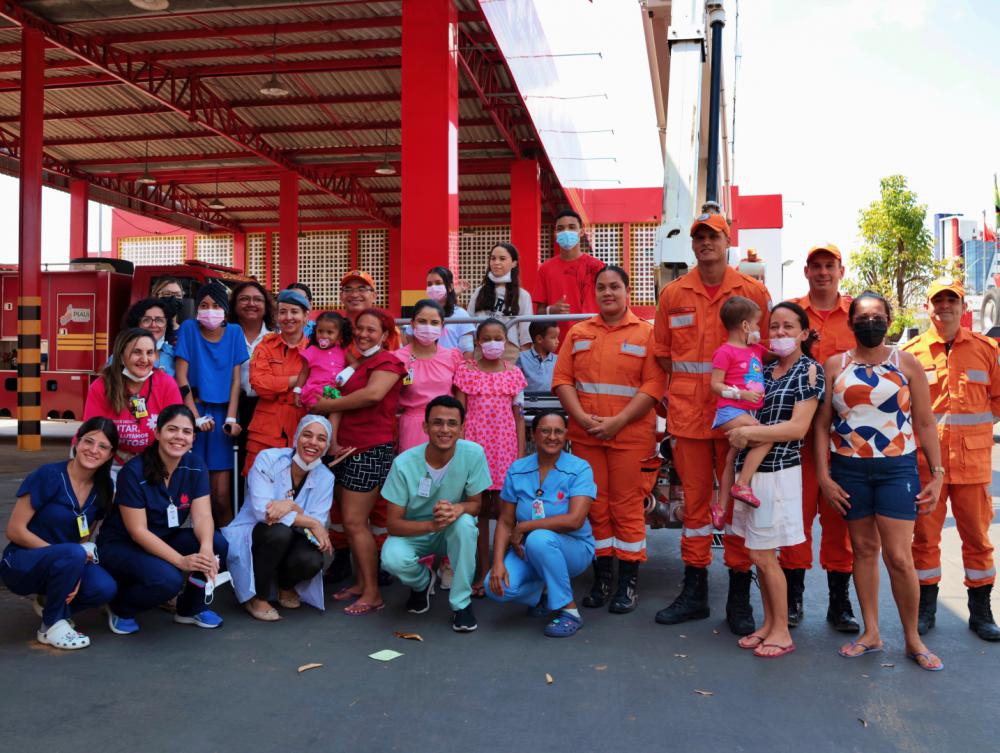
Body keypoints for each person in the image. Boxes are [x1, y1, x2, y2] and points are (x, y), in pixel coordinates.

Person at [652, 211, 771, 635]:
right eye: (699, 237)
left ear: (727, 240)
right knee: (696, 506)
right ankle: (695, 591)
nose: (706, 243)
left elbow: (765, 352)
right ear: (693, 244)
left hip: (736, 418)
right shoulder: (673, 294)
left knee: (739, 503)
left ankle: (739, 596)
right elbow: (663, 353)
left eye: (713, 236)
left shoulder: (752, 291)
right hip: (689, 416)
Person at [814, 291, 945, 670]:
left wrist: (936, 475)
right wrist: (823, 475)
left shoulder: (907, 363)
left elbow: (924, 422)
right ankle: (871, 633)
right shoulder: (834, 365)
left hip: (896, 469)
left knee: (900, 558)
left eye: (877, 316)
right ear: (850, 322)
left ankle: (912, 639)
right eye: (862, 317)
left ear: (889, 319)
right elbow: (822, 425)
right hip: (849, 469)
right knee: (864, 550)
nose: (869, 323)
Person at [553, 265, 665, 614]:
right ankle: (603, 579)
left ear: (627, 291)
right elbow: (562, 380)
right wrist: (584, 420)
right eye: (601, 287)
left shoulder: (647, 334)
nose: (607, 293)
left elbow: (653, 385)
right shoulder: (578, 332)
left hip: (631, 436)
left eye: (614, 286)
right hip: (587, 436)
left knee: (627, 506)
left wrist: (618, 421)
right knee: (595, 507)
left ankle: (627, 584)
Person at [724, 302, 824, 658]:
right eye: (774, 327)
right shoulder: (764, 371)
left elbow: (798, 428)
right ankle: (768, 623)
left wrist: (750, 432)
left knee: (766, 555)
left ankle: (782, 630)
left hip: (780, 472)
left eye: (788, 327)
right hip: (750, 475)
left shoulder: (809, 371)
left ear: (804, 332)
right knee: (755, 551)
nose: (780, 333)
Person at [903, 279, 1000, 641]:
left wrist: (974, 433)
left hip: (972, 466)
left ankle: (980, 613)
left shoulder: (986, 349)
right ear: (927, 308)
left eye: (952, 301)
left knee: (977, 539)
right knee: (924, 539)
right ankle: (926, 609)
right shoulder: (911, 353)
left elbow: (997, 398)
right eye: (937, 301)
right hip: (926, 467)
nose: (945, 307)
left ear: (963, 308)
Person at [97, 405, 228, 635]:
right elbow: (138, 531)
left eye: (186, 432)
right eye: (172, 429)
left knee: (217, 544)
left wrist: (206, 549)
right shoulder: (134, 472)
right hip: (124, 544)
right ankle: (120, 605)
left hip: (165, 537)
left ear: (193, 438)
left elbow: (203, 515)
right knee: (169, 581)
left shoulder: (195, 465)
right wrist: (180, 561)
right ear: (157, 433)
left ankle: (190, 608)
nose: (179, 437)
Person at [783, 243, 859, 632]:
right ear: (807, 271)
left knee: (839, 519)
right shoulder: (792, 314)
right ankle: (793, 599)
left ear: (841, 270)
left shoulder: (857, 316)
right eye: (816, 266)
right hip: (796, 439)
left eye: (830, 265)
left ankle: (839, 603)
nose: (823, 272)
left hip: (842, 441)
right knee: (796, 519)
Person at [312, 307, 406, 615]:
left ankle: (373, 593)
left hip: (369, 449)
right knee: (354, 524)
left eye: (371, 330)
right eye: (360, 329)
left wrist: (329, 403)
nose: (364, 334)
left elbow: (372, 396)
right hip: (347, 449)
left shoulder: (390, 362)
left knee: (354, 522)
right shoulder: (358, 363)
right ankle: (362, 583)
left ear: (385, 335)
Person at [0, 418, 119, 650]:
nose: (93, 450)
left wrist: (72, 565)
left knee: (104, 587)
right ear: (77, 441)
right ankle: (50, 626)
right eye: (88, 441)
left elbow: (84, 537)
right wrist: (66, 557)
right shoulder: (48, 475)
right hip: (22, 561)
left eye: (103, 446)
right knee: (73, 553)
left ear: (110, 454)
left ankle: (52, 605)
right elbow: (14, 530)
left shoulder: (104, 487)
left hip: (66, 562)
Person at [380, 396, 492, 632]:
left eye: (452, 424)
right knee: (391, 558)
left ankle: (461, 604)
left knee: (466, 526)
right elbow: (393, 525)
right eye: (437, 423)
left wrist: (457, 509)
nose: (445, 430)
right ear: (425, 427)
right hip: (417, 531)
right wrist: (432, 525)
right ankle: (422, 582)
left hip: (451, 528)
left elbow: (476, 506)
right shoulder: (403, 463)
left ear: (462, 428)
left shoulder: (473, 453)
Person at [486, 411, 596, 637]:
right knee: (495, 588)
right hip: (528, 550)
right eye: (545, 430)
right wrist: (497, 562)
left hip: (573, 549)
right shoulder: (518, 469)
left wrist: (525, 527)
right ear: (533, 434)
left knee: (539, 538)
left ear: (566, 435)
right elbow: (506, 521)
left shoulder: (579, 468)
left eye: (558, 431)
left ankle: (569, 610)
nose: (552, 437)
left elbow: (575, 520)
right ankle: (544, 590)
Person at [224, 415, 336, 621]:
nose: (313, 442)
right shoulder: (268, 458)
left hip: (293, 534)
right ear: (296, 437)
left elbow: (317, 522)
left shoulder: (326, 477)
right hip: (257, 532)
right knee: (278, 532)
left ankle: (286, 586)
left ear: (326, 446)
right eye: (307, 435)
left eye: (321, 439)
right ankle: (257, 597)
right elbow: (262, 512)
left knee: (311, 559)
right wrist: (308, 519)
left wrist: (289, 507)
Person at [454, 318, 527, 597]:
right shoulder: (466, 372)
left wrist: (520, 455)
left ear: (506, 343)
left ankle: (504, 567)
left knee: (505, 512)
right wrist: (460, 451)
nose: (493, 343)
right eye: (487, 338)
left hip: (506, 450)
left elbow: (519, 419)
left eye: (498, 338)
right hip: (474, 450)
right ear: (477, 342)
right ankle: (482, 570)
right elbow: (458, 415)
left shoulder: (514, 374)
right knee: (480, 512)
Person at [174, 280, 248, 526]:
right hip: (193, 412)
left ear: (225, 309)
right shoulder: (189, 329)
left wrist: (231, 418)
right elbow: (181, 377)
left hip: (221, 418)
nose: (209, 309)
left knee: (221, 497)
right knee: (192, 495)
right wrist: (194, 417)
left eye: (216, 305)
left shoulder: (235, 332)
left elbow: (236, 381)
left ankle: (225, 550)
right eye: (204, 304)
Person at [83, 327, 182, 476]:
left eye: (149, 353)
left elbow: (177, 431)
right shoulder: (101, 386)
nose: (144, 359)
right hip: (110, 463)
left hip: (154, 463)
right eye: (137, 352)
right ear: (121, 355)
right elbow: (91, 433)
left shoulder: (166, 384)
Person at [710, 296, 770, 519]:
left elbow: (777, 353)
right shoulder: (725, 352)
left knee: (730, 459)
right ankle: (742, 484)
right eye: (756, 324)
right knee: (767, 435)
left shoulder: (755, 349)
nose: (758, 330)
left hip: (746, 412)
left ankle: (721, 507)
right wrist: (740, 393)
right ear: (745, 325)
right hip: (730, 412)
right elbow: (715, 385)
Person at [244, 288, 310, 473]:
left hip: (303, 429)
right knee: (259, 493)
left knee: (299, 493)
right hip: (265, 434)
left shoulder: (314, 350)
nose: (288, 317)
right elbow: (259, 384)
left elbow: (318, 388)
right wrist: (299, 380)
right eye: (283, 312)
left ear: (306, 316)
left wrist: (277, 382)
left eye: (294, 312)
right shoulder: (265, 345)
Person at [228, 281, 275, 499]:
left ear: (266, 305)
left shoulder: (275, 337)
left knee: (261, 466)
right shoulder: (223, 334)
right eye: (244, 299)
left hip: (266, 406)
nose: (251, 304)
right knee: (232, 466)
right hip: (231, 407)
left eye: (257, 299)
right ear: (234, 304)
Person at [396, 300, 462, 451]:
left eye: (434, 322)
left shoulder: (453, 357)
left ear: (442, 325)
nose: (428, 327)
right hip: (413, 427)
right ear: (412, 324)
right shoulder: (398, 358)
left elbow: (460, 398)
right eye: (422, 321)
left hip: (447, 427)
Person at [534, 209, 606, 340]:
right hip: (558, 342)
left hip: (593, 338)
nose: (566, 231)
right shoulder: (545, 269)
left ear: (582, 231)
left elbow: (608, 303)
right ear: (555, 234)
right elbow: (539, 312)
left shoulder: (597, 266)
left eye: (572, 227)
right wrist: (551, 311)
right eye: (561, 228)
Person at [470, 243, 535, 349]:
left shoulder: (522, 295)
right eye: (493, 258)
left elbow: (526, 332)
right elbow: (469, 324)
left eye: (502, 259)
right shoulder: (479, 292)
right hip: (482, 349)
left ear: (514, 263)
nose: (496, 262)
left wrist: (524, 357)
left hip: (510, 350)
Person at [294, 311, 353, 415]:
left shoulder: (343, 350)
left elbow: (355, 364)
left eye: (330, 332)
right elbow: (304, 373)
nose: (324, 335)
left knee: (337, 412)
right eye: (320, 331)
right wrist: (297, 392)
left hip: (335, 391)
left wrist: (345, 374)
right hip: (314, 393)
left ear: (339, 336)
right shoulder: (311, 351)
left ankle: (333, 431)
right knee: (316, 415)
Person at [415, 266, 475, 354]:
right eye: (429, 284)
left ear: (450, 287)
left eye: (438, 283)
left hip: (452, 366)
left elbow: (467, 351)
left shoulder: (461, 315)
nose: (433, 287)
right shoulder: (420, 313)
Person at [339, 270, 401, 350]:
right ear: (341, 296)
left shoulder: (388, 329)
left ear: (374, 296)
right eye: (348, 290)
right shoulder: (332, 328)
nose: (354, 295)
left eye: (362, 289)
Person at [122, 297, 179, 377]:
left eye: (159, 320)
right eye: (146, 320)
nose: (153, 325)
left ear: (167, 325)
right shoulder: (121, 354)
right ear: (136, 324)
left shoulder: (175, 354)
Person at [517, 320, 560, 393]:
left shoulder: (559, 360)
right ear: (539, 339)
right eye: (553, 338)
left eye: (557, 337)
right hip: (529, 402)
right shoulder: (521, 358)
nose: (557, 341)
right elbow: (517, 385)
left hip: (553, 402)